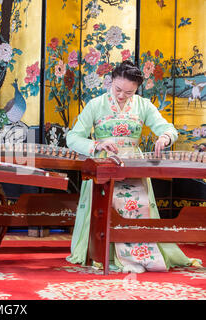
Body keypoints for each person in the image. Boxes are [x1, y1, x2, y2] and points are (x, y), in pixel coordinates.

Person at [66, 60, 200, 273]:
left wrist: (164, 137)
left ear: (136, 89)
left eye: (129, 92)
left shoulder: (143, 105)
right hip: (104, 165)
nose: (121, 95)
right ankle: (104, 253)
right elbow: (72, 138)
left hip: (134, 166)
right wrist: (97, 144)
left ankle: (144, 251)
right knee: (110, 205)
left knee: (138, 205)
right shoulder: (95, 104)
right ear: (111, 81)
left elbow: (168, 128)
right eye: (118, 89)